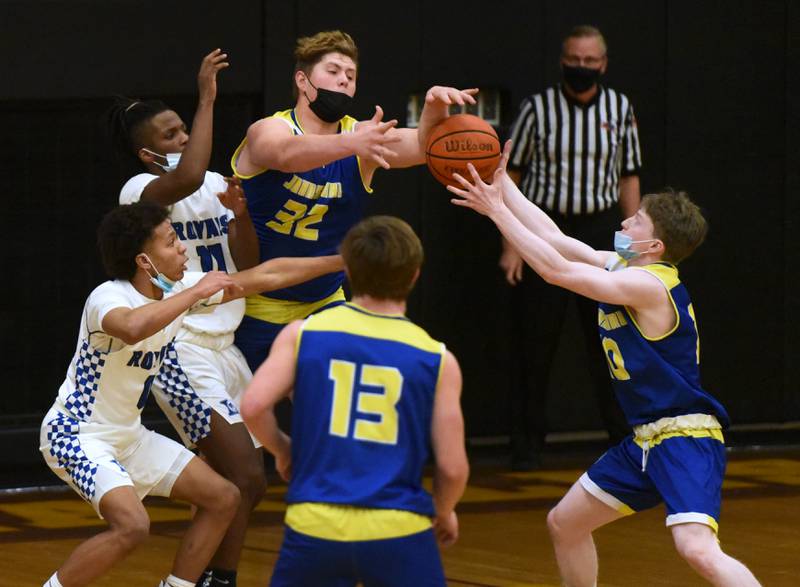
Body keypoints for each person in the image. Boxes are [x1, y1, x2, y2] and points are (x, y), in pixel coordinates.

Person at [448, 145, 761, 586]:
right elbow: (558, 241)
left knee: (697, 550)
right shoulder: (625, 266)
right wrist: (506, 190)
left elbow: (556, 270)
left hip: (684, 437)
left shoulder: (648, 285)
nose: (623, 221)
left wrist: (497, 213)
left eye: (635, 221)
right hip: (643, 441)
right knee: (565, 523)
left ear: (654, 245)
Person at [40, 201, 343, 587]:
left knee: (224, 497)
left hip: (129, 437)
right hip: (77, 434)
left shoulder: (180, 290)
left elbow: (267, 275)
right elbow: (132, 327)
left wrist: (341, 262)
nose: (182, 247)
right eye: (170, 241)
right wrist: (193, 293)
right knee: (133, 526)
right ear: (144, 262)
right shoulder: (109, 297)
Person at [241, 216, 469, 586]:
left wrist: (284, 450)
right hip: (397, 528)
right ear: (414, 275)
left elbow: (252, 406)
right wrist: (443, 511)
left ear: (347, 269)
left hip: (315, 523)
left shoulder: (303, 334)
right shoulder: (437, 358)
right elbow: (454, 469)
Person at [231, 29, 477, 371]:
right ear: (303, 81)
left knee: (329, 406)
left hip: (326, 300)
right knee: (252, 415)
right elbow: (284, 154)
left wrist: (433, 108)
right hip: (259, 300)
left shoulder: (363, 138)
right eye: (332, 72)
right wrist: (352, 144)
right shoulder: (270, 129)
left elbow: (424, 147)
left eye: (351, 76)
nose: (343, 81)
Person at [109, 50, 261, 587]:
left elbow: (249, 263)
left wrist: (240, 217)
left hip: (226, 345)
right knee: (243, 473)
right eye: (172, 135)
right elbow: (190, 170)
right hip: (181, 347)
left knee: (240, 484)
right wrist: (206, 97)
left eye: (184, 131)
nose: (182, 141)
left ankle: (203, 580)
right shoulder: (139, 193)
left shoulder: (215, 183)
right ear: (149, 152)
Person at [502, 25, 641, 469]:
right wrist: (512, 244)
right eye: (574, 60)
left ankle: (623, 441)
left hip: (601, 230)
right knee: (534, 346)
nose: (582, 68)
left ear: (603, 64)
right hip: (545, 228)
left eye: (590, 61)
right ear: (563, 60)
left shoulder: (620, 109)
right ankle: (526, 447)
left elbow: (629, 177)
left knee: (610, 343)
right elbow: (513, 175)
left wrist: (632, 248)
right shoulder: (536, 110)